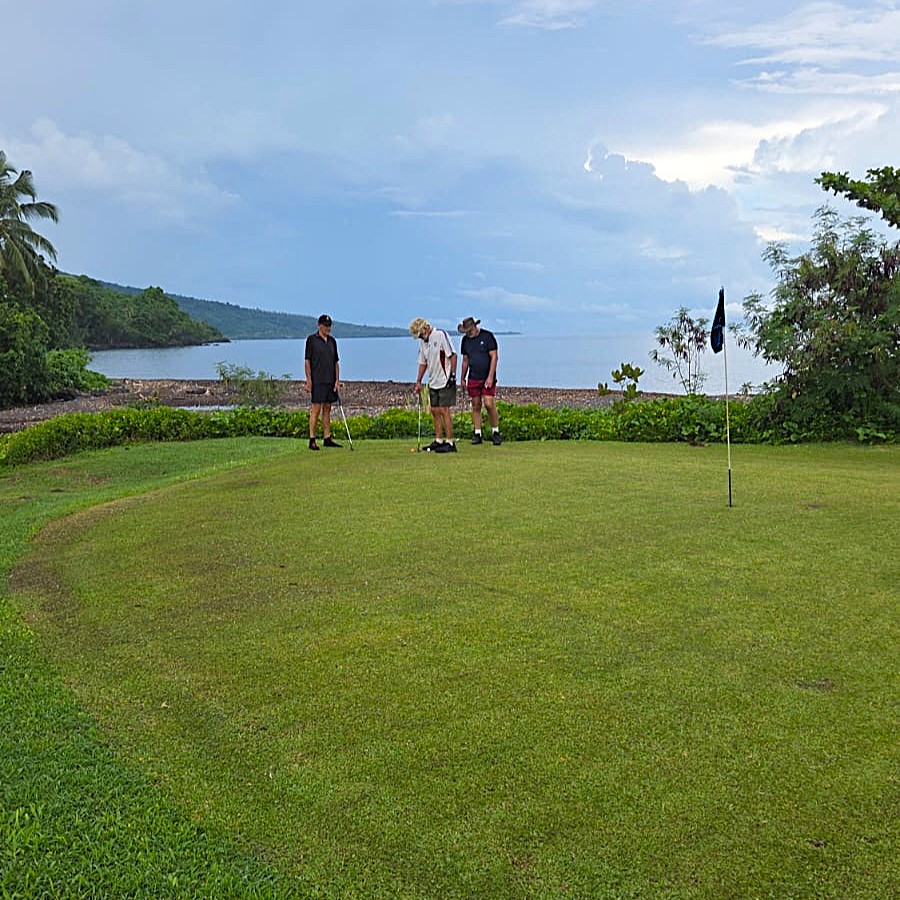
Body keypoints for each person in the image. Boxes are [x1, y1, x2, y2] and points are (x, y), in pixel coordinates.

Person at [409, 317, 458, 453]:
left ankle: (450, 442)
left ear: (425, 329)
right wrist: (418, 381)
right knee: (434, 410)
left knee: (444, 410)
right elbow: (423, 362)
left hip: (445, 379)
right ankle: (439, 440)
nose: (420, 338)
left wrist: (453, 375)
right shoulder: (423, 343)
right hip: (433, 381)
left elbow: (453, 356)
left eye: (420, 335)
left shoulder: (440, 335)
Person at [458, 316, 501, 445]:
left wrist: (490, 376)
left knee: (489, 403)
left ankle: (495, 431)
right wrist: (462, 378)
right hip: (473, 376)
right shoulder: (465, 341)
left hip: (487, 375)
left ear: (474, 327)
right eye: (466, 332)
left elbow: (494, 357)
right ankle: (477, 433)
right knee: (476, 404)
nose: (468, 334)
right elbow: (465, 360)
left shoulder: (487, 336)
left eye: (469, 331)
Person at [304, 314, 341, 450]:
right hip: (317, 380)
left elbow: (336, 362)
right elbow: (307, 361)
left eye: (329, 326)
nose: (328, 328)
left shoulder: (332, 341)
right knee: (316, 409)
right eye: (325, 326)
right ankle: (312, 439)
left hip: (330, 380)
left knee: (327, 408)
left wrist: (337, 380)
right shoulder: (312, 340)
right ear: (319, 325)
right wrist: (309, 380)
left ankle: (327, 438)